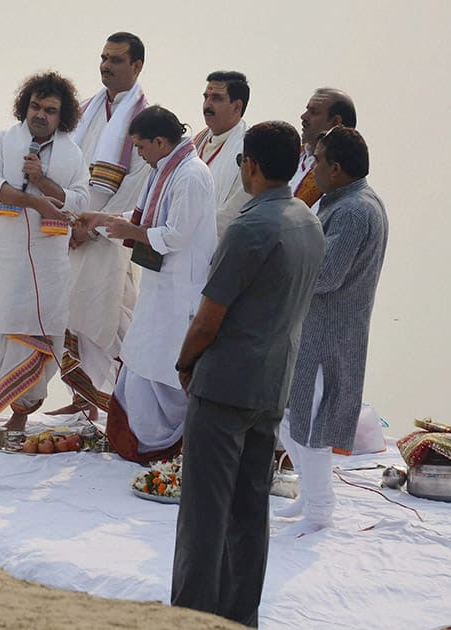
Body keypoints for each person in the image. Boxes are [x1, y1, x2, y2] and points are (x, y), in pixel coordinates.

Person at [170, 121, 325, 626]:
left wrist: (185, 362)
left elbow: (208, 318)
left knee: (204, 518)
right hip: (270, 384)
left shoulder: (249, 226)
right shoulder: (307, 220)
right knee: (248, 512)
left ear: (250, 165)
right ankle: (240, 618)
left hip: (226, 387)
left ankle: (192, 618)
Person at [76, 105, 215, 463]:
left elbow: (177, 235)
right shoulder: (163, 170)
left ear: (159, 141)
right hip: (158, 288)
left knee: (166, 369)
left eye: (140, 147)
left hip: (181, 291)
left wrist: (130, 231)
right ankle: (139, 443)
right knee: (139, 361)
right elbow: (142, 218)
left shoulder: (191, 175)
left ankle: (171, 447)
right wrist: (101, 219)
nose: (138, 154)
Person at [0, 72, 89, 432]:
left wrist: (41, 180)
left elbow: (78, 199)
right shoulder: (1, 141)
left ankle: (20, 413)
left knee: (38, 331)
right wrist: (35, 201)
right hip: (2, 254)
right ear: (24, 107)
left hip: (46, 261)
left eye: (50, 110)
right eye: (35, 107)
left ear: (63, 116)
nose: (40, 115)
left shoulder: (73, 155)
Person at [276, 126, 389, 536]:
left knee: (311, 426)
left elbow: (325, 275)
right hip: (320, 329)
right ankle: (311, 497)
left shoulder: (354, 210)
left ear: (336, 168)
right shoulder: (347, 200)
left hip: (328, 334)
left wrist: (278, 266)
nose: (313, 168)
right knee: (292, 418)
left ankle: (320, 511)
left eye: (319, 161)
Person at [46, 32, 151, 420]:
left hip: (107, 240)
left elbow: (137, 189)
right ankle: (81, 401)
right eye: (104, 58)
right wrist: (65, 220)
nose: (106, 66)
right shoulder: (85, 110)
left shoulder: (144, 119)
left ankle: (123, 405)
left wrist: (90, 228)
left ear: (137, 66)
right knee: (68, 315)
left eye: (117, 60)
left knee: (106, 319)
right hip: (69, 232)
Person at [193, 70, 253, 239]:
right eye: (206, 97)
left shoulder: (248, 152)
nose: (207, 105)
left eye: (216, 99)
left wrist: (186, 228)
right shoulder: (196, 141)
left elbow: (233, 211)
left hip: (214, 247)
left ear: (237, 106)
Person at [290, 88, 357, 208]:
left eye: (313, 112)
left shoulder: (338, 175)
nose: (303, 117)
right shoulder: (294, 154)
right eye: (307, 110)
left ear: (336, 122)